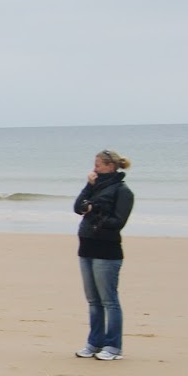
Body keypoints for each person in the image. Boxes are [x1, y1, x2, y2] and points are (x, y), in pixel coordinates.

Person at [74, 149, 135, 361]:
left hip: (107, 251)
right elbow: (77, 207)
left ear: (110, 166)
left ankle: (113, 346)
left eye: (98, 165)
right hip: (86, 247)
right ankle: (94, 342)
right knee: (93, 301)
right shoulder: (94, 187)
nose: (94, 169)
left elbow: (118, 222)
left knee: (109, 300)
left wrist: (95, 212)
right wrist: (88, 187)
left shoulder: (122, 191)